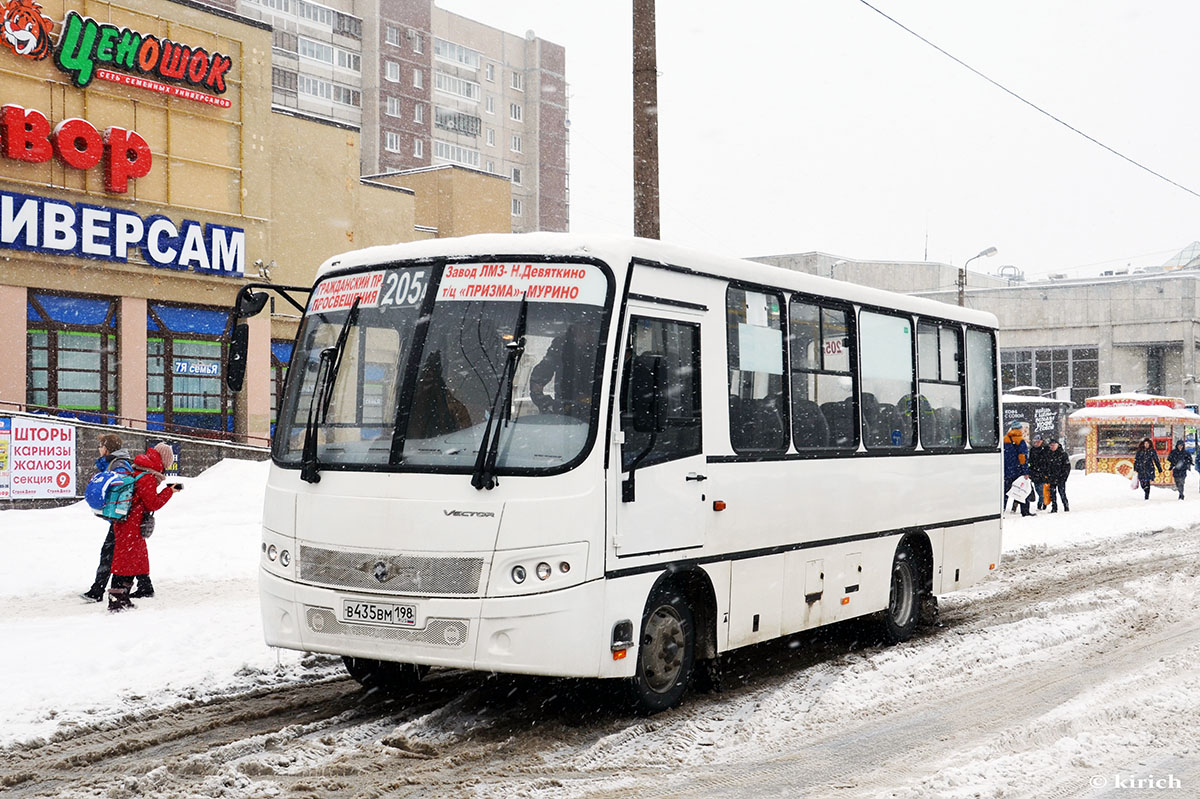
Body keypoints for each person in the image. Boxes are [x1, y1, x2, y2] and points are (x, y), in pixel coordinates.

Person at [108, 443, 179, 612]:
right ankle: (117, 600)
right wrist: (169, 491)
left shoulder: (140, 469)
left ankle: (124, 596)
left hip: (128, 522)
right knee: (126, 561)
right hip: (130, 525)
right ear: (163, 460)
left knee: (131, 559)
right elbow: (152, 503)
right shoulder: (147, 476)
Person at [81, 433, 138, 602]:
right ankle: (143, 584)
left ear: (106, 449)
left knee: (109, 553)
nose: (98, 449)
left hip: (120, 519)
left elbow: (121, 488)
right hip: (120, 518)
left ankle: (97, 591)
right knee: (117, 553)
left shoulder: (118, 464)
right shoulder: (115, 463)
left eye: (101, 446)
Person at [529, 319, 597, 421]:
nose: (590, 335)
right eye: (585, 331)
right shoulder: (561, 349)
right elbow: (538, 379)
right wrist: (548, 404)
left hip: (599, 415)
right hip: (566, 416)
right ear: (574, 330)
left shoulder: (605, 348)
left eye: (591, 331)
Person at [1003, 424, 1032, 517]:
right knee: (1023, 490)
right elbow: (1022, 457)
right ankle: (1025, 511)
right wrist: (1025, 471)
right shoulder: (1020, 440)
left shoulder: (1004, 439)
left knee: (1005, 493)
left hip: (1006, 471)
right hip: (1018, 471)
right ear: (1019, 429)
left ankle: (1001, 511)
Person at [1045, 438, 1071, 512]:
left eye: (1054, 445)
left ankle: (1066, 506)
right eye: (1051, 445)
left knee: (1062, 493)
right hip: (1051, 477)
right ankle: (1054, 507)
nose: (1052, 447)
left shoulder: (1063, 454)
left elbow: (1067, 467)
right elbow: (1046, 466)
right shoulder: (1048, 454)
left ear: (1057, 445)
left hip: (1060, 477)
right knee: (1052, 494)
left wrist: (1064, 477)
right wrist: (1047, 475)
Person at [1028, 434, 1050, 510]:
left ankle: (1041, 504)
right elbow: (1030, 461)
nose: (1037, 443)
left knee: (1042, 491)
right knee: (1038, 490)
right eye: (1035, 442)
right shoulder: (1032, 450)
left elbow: (1047, 462)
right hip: (1035, 474)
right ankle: (1042, 504)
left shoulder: (1045, 450)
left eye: (1038, 442)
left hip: (1043, 473)